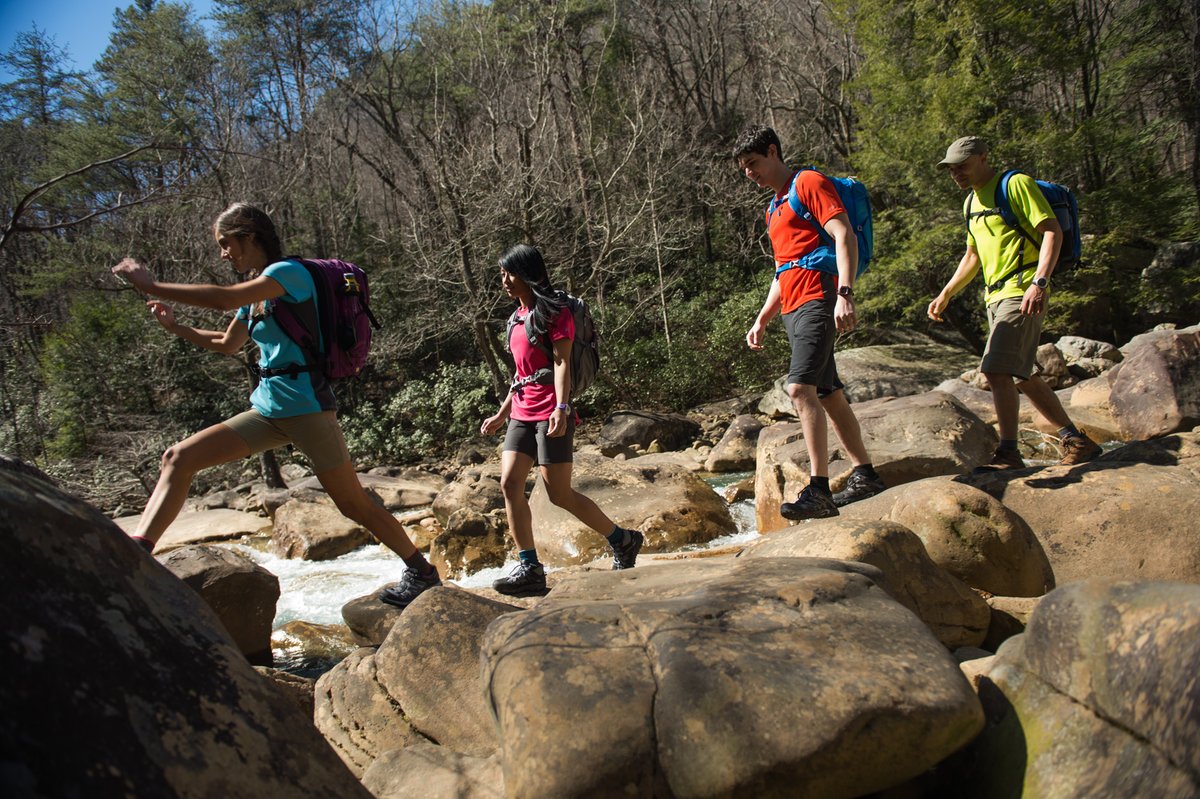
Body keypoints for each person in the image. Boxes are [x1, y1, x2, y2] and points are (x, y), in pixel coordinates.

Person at [111, 202, 440, 609]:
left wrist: (153, 285)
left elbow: (222, 299)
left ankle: (422, 572)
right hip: (267, 411)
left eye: (226, 243)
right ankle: (136, 552)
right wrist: (176, 326)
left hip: (308, 409)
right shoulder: (257, 292)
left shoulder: (287, 274)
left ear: (250, 236)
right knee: (178, 458)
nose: (223, 253)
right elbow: (226, 343)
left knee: (353, 504)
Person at [733, 125, 885, 520]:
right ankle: (866, 474)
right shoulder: (774, 207)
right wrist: (762, 318)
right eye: (744, 167)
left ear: (773, 151)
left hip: (819, 296)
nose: (749, 172)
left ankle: (819, 490)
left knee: (800, 389)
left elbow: (844, 234)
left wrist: (845, 293)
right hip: (793, 306)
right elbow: (783, 269)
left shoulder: (808, 183)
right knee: (828, 392)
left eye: (753, 162)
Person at [928, 136, 1101, 469]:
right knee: (1023, 375)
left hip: (1022, 289)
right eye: (951, 169)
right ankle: (1077, 441)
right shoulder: (970, 202)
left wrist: (1040, 282)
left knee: (996, 370)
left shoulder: (1015, 184)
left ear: (983, 158)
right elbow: (972, 255)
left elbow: (1051, 231)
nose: (956, 174)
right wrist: (946, 293)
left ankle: (1009, 452)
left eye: (963, 166)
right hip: (994, 296)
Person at [480, 244, 643, 596]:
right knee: (509, 484)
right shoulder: (515, 318)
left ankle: (623, 539)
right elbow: (520, 374)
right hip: (521, 411)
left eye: (510, 274)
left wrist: (562, 407)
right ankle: (530, 568)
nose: (505, 281)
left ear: (528, 273)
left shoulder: (555, 313)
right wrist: (502, 413)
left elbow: (562, 362)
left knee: (559, 494)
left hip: (549, 411)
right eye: (502, 275)